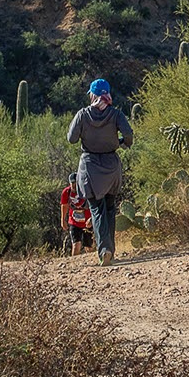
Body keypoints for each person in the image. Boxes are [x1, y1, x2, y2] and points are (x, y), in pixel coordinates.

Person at [66, 78, 132, 264]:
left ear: (92, 95)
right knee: (110, 208)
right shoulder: (116, 114)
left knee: (96, 209)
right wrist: (123, 143)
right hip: (111, 165)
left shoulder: (83, 114)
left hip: (90, 166)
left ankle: (104, 251)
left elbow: (71, 138)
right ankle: (110, 249)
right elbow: (128, 134)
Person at [60, 172, 94, 255]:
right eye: (72, 183)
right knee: (76, 245)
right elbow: (64, 205)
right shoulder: (66, 192)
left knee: (89, 247)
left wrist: (92, 219)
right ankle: (75, 266)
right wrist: (63, 220)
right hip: (74, 222)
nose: (74, 185)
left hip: (87, 222)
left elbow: (94, 206)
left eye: (76, 183)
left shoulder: (87, 190)